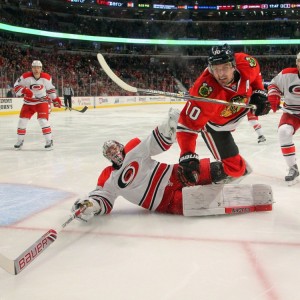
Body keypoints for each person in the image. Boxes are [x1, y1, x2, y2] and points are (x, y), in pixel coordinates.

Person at [71, 108, 273, 220]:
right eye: (110, 153)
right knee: (197, 201)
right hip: (164, 200)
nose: (114, 153)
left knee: (212, 170)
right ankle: (234, 197)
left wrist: (171, 126)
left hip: (174, 174)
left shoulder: (133, 148)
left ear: (120, 145)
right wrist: (91, 205)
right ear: (106, 158)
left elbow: (156, 141)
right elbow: (104, 197)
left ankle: (231, 175)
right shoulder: (108, 176)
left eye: (114, 148)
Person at [176, 44, 271, 187]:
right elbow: (187, 126)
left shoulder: (246, 63)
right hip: (216, 127)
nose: (221, 74)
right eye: (216, 69)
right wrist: (187, 154)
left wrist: (259, 91)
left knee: (235, 169)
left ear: (234, 65)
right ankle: (207, 173)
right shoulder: (205, 92)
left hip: (237, 113)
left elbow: (256, 75)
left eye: (225, 67)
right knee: (235, 169)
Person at [13, 60, 62, 150]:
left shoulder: (46, 77)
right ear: (31, 68)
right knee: (22, 121)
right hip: (28, 102)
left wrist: (55, 99)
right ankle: (20, 141)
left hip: (42, 102)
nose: (36, 69)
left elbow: (50, 89)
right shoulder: (25, 77)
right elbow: (16, 86)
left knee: (43, 120)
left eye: (38, 67)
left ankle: (49, 141)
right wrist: (24, 90)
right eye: (34, 67)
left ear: (41, 68)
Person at [267, 51, 300, 185]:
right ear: (297, 63)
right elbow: (273, 84)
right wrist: (274, 94)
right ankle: (293, 167)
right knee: (283, 132)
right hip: (292, 112)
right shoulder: (287, 74)